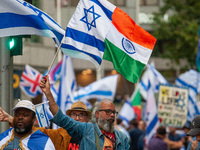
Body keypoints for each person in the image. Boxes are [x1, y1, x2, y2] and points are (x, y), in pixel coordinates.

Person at [40, 76, 130, 150]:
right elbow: (60, 118)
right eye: (108, 112)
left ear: (87, 117)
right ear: (97, 114)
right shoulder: (87, 130)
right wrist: (48, 93)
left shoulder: (122, 138)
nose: (111, 115)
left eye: (114, 112)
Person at [0, 100, 91, 150]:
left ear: (87, 119)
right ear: (69, 117)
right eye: (74, 114)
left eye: (81, 115)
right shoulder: (60, 134)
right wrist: (12, 119)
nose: (77, 118)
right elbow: (36, 131)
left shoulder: (94, 136)